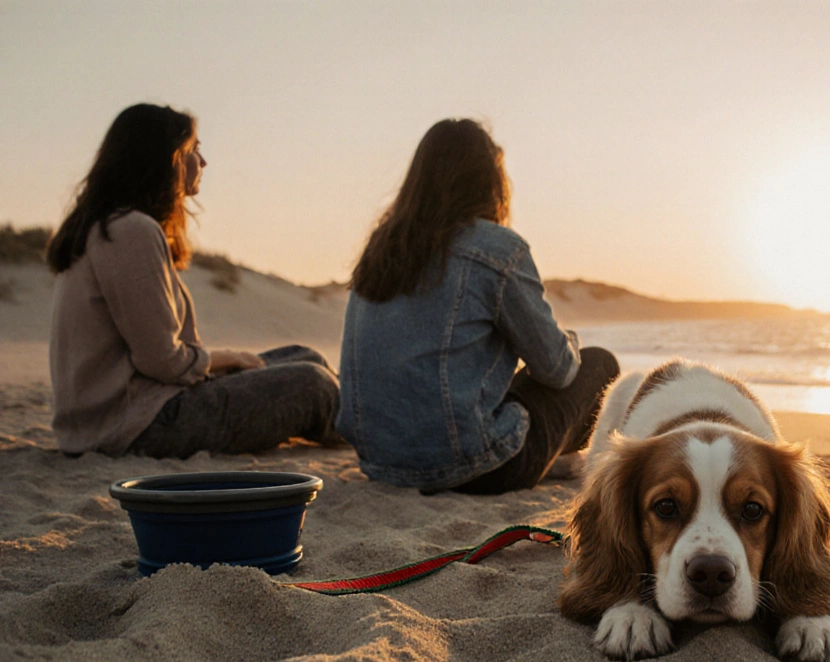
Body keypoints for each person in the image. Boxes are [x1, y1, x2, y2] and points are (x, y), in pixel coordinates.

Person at [338, 119, 619, 494]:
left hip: (381, 464)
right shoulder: (496, 249)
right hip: (476, 468)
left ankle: (547, 460)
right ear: (490, 181)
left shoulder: (381, 249)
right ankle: (563, 463)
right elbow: (558, 371)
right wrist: (567, 340)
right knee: (600, 365)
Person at [46, 103, 340, 459]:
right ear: (166, 159)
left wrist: (225, 361)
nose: (203, 162)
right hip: (136, 423)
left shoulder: (107, 225)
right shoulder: (130, 230)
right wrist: (227, 356)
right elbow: (162, 362)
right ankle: (381, 432)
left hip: (126, 412)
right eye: (193, 150)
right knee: (313, 385)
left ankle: (363, 422)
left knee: (303, 355)